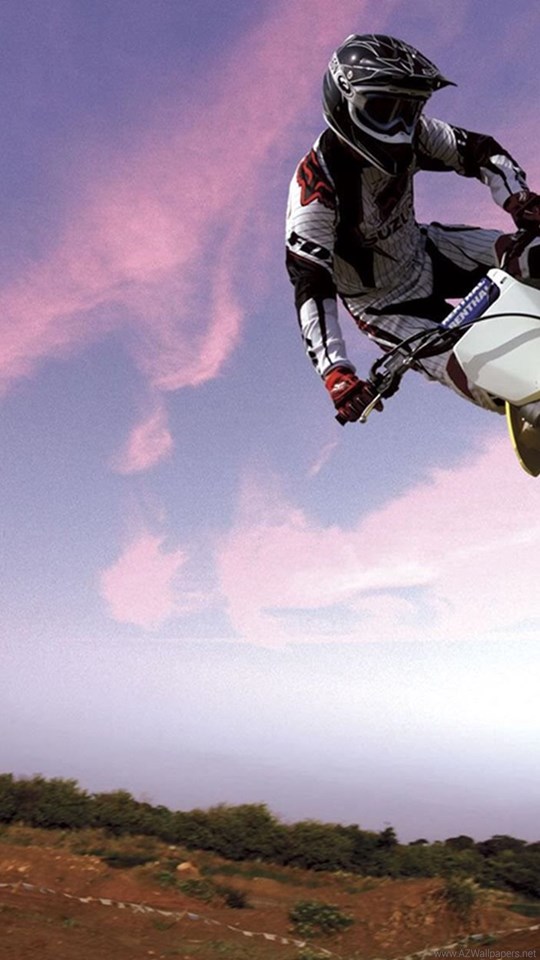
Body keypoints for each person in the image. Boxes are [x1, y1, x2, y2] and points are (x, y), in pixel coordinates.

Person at [285, 34, 540, 425]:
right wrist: (336, 372)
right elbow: (311, 285)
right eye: (384, 109)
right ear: (344, 103)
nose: (401, 127)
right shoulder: (316, 189)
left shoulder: (417, 132)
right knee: (492, 382)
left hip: (426, 250)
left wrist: (518, 200)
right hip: (386, 306)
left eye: (409, 108)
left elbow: (478, 150)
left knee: (534, 253)